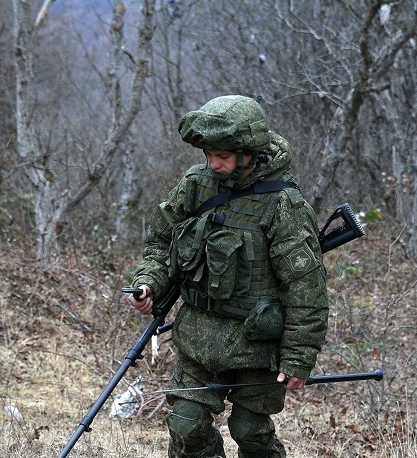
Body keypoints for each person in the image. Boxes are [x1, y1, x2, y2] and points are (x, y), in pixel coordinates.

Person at [128, 95, 328, 458]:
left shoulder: (283, 205)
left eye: (223, 156)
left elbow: (305, 288)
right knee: (186, 426)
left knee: (250, 432)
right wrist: (149, 283)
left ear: (248, 152)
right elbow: (162, 240)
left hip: (257, 343)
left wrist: (299, 357)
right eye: (209, 154)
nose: (213, 164)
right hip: (197, 336)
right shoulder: (196, 184)